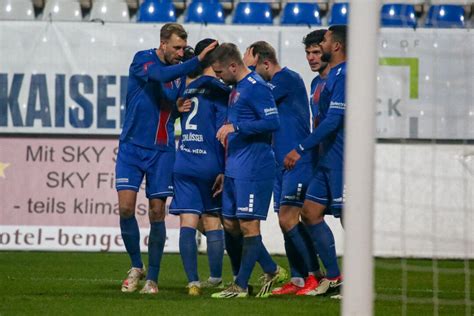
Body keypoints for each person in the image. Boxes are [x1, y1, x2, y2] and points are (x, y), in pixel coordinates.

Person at [116, 23, 216, 294]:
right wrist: (196, 60)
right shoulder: (143, 59)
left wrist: (178, 107)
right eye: (176, 48)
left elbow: (171, 102)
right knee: (125, 208)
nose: (181, 52)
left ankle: (153, 278)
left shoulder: (181, 73)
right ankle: (137, 266)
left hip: (162, 150)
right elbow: (159, 76)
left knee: (157, 212)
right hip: (131, 148)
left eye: (184, 48)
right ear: (162, 44)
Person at [242, 41, 323, 296]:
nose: (251, 75)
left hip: (296, 160)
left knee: (290, 219)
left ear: (266, 63)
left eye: (253, 69)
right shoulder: (266, 84)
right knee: (284, 221)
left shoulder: (287, 79)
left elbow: (252, 99)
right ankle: (298, 279)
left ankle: (316, 276)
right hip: (278, 162)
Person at [210, 43, 287, 299]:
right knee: (230, 223)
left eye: (220, 72)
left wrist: (237, 127)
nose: (218, 77)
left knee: (249, 226)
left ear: (233, 66)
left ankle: (241, 286)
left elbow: (273, 121)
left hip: (254, 168)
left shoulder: (256, 87)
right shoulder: (237, 88)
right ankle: (271, 269)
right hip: (234, 167)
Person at [284, 25, 347, 297]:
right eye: (308, 52)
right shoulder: (318, 82)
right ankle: (333, 277)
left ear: (332, 48)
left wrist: (300, 147)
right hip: (324, 158)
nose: (311, 57)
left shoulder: (344, 75)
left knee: (349, 218)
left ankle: (356, 281)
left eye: (317, 50)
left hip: (343, 158)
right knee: (310, 213)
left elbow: (334, 121)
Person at [169, 39, 228, 296]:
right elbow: (223, 134)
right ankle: (215, 278)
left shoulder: (187, 89)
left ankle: (193, 282)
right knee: (213, 221)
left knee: (187, 222)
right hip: (209, 163)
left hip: (183, 162)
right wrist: (224, 169)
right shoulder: (219, 90)